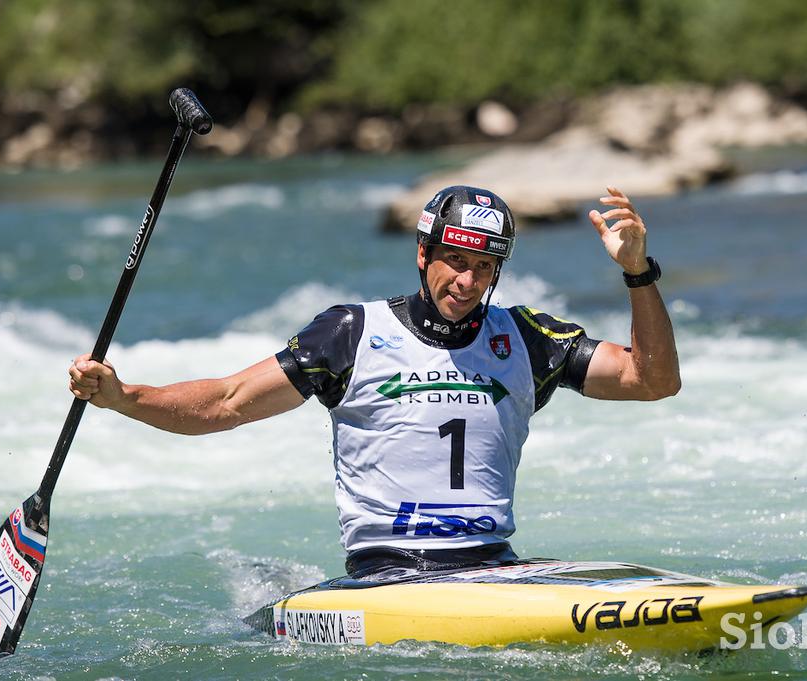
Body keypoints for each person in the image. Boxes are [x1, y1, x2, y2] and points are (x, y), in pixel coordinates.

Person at [69, 185, 680, 580]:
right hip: (387, 574)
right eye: (456, 262)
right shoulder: (351, 333)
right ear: (424, 254)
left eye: (484, 268)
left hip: (493, 569)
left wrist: (637, 274)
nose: (467, 282)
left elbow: (652, 380)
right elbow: (226, 403)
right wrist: (124, 397)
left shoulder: (524, 336)